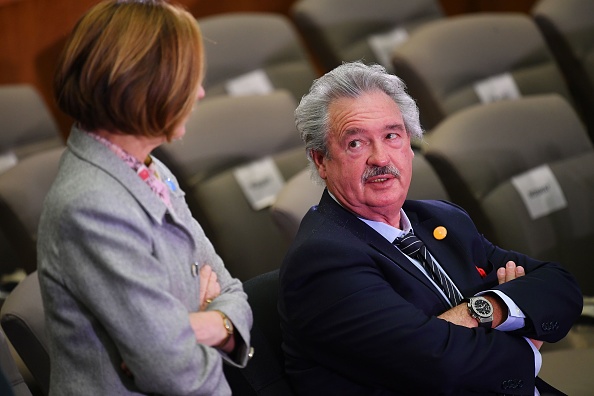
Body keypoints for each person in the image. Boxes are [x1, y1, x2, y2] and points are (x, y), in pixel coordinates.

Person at [278, 61, 583, 396]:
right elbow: (442, 366)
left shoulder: (440, 220)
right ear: (321, 160)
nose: (381, 158)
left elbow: (559, 284)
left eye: (392, 135)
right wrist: (521, 328)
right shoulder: (323, 259)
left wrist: (489, 309)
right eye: (356, 143)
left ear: (409, 145)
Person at [37, 1, 253, 394]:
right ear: (144, 86)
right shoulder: (90, 206)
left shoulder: (150, 167)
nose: (201, 92)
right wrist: (194, 317)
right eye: (188, 79)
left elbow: (231, 290)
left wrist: (211, 323)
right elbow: (173, 370)